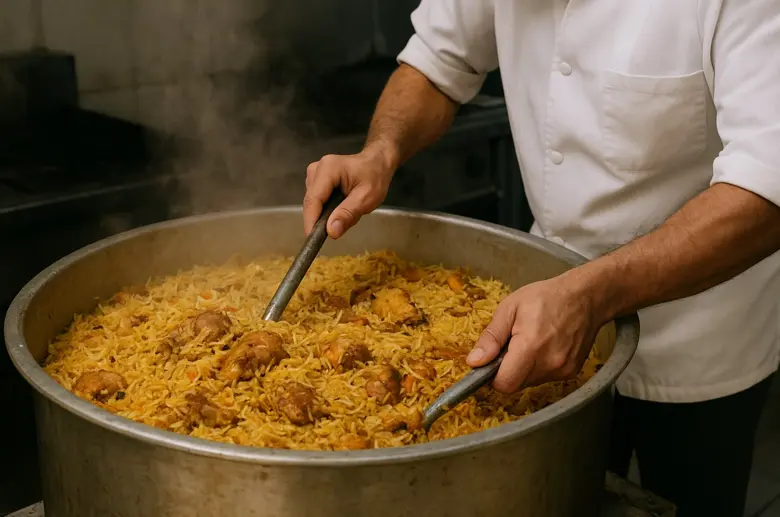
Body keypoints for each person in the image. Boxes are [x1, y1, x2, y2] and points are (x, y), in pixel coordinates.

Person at [301, 2, 780, 515]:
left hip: (701, 339)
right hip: (540, 321)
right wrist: (381, 151)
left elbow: (765, 189)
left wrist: (592, 293)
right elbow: (437, 62)